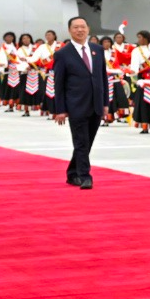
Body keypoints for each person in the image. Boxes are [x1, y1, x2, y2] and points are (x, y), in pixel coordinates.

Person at [51, 16, 109, 189]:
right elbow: (58, 83)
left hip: (96, 104)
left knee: (87, 142)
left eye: (82, 27)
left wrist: (105, 103)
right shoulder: (62, 54)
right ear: (69, 30)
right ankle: (85, 176)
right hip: (76, 105)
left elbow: (102, 78)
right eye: (75, 27)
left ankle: (72, 173)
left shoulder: (97, 50)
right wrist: (60, 109)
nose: (79, 30)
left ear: (88, 29)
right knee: (81, 142)